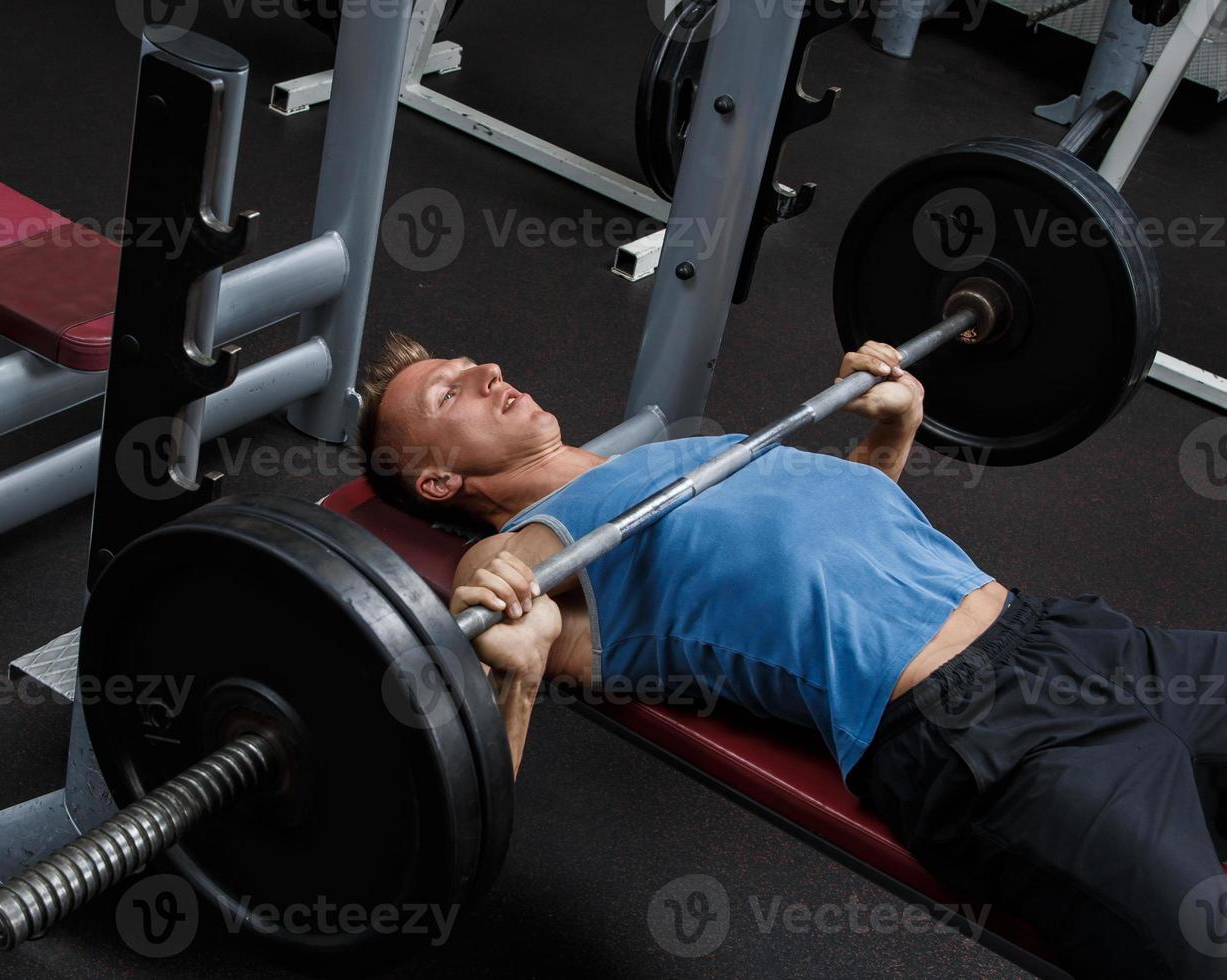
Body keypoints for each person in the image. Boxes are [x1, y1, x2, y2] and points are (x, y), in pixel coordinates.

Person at [353, 332, 1227, 979]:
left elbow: (832, 564)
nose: (488, 373)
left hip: (1079, 641)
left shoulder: (681, 453)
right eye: (448, 395)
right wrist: (519, 657)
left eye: (473, 365)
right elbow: (496, 605)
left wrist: (893, 431)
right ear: (435, 480)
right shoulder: (541, 540)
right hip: (988, 737)